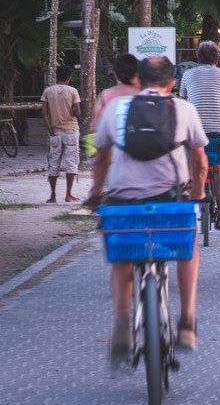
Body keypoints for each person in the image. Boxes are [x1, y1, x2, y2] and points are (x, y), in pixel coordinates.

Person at [87, 56, 209, 363]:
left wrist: (96, 193)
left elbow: (101, 159)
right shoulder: (183, 108)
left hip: (124, 201)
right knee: (188, 244)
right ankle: (188, 322)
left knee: (121, 252)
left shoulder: (115, 108)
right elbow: (200, 162)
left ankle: (121, 321)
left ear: (138, 80)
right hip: (171, 201)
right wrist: (196, 193)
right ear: (172, 83)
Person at [179, 41, 220, 229]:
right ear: (216, 59)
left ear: (197, 59)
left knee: (190, 168)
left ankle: (189, 215)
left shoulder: (187, 75)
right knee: (219, 169)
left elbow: (181, 105)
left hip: (194, 132)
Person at [41, 65, 82, 203]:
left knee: (54, 163)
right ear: (69, 78)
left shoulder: (48, 91)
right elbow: (78, 112)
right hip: (71, 130)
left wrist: (50, 131)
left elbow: (44, 115)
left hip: (55, 132)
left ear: (57, 75)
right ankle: (68, 195)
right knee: (71, 162)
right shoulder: (73, 91)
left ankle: (52, 195)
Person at [91, 53, 140, 131]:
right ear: (137, 74)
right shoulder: (143, 94)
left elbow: (95, 125)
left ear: (115, 74)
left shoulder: (105, 95)